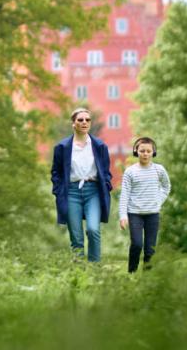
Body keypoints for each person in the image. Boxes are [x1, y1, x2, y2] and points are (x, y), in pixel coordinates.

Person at [51, 107, 113, 262]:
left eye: (87, 120)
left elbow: (106, 171)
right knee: (76, 236)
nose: (84, 122)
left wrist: (107, 185)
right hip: (71, 192)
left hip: (93, 191)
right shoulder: (62, 147)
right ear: (73, 123)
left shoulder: (99, 146)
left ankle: (94, 270)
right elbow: (56, 172)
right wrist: (58, 191)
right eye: (80, 120)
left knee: (93, 229)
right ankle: (78, 272)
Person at [119, 136, 171, 273]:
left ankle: (147, 277)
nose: (145, 154)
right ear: (136, 151)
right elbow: (124, 194)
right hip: (135, 214)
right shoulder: (130, 172)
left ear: (153, 152)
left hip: (153, 214)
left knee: (150, 249)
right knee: (137, 244)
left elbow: (166, 187)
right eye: (142, 151)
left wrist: (158, 200)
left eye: (148, 151)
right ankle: (132, 272)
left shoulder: (159, 170)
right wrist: (123, 216)